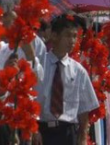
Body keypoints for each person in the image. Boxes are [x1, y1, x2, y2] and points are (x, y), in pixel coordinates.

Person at [35, 14, 99, 145]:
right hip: (42, 131)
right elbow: (30, 99)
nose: (72, 40)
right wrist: (33, 130)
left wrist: (82, 138)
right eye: (68, 35)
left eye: (75, 36)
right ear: (54, 36)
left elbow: (84, 108)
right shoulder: (39, 64)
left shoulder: (78, 71)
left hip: (67, 133)